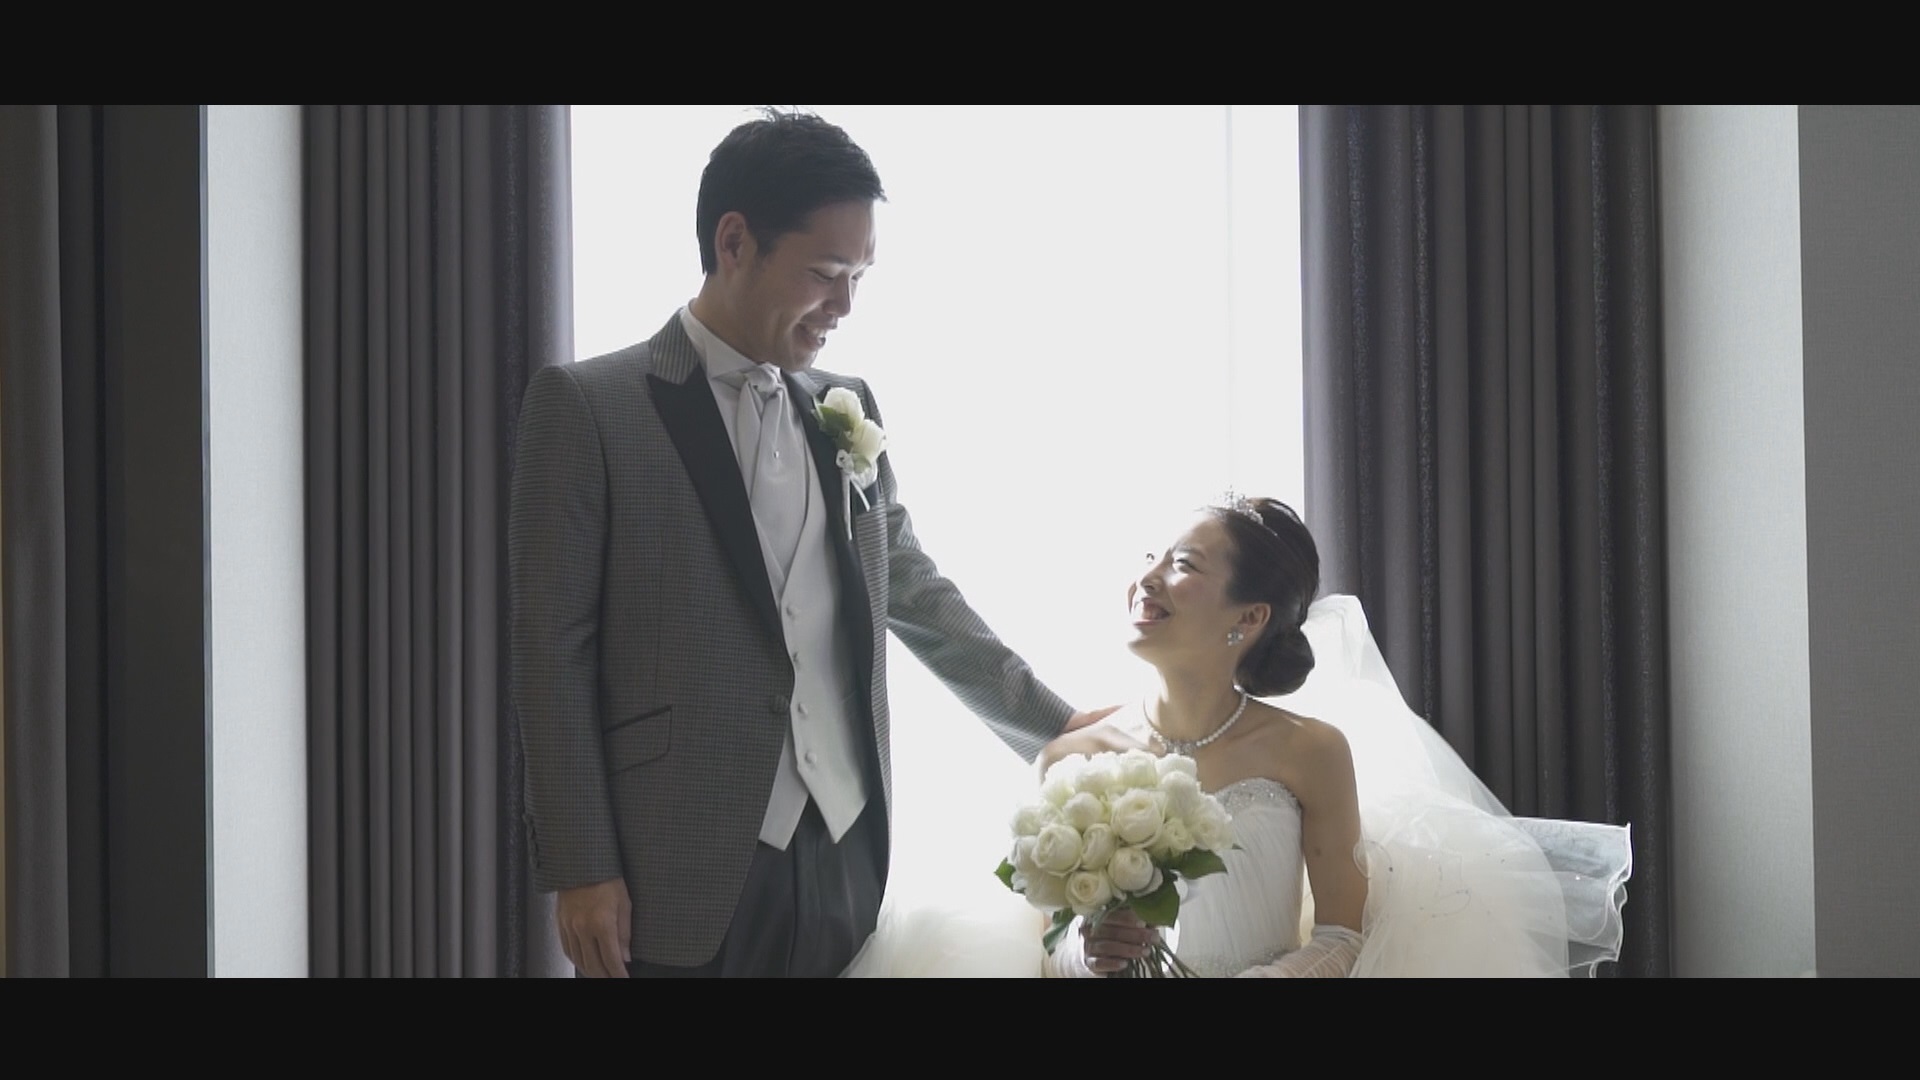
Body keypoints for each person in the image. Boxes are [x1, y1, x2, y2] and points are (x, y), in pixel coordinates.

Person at [508, 108, 1111, 978]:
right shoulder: (590, 407)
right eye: (827, 273)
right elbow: (551, 655)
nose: (845, 305)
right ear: (734, 242)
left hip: (844, 844)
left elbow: (910, 585)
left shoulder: (845, 404)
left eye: (860, 276)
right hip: (675, 856)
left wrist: (1053, 723)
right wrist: (581, 863)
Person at [846, 494, 1632, 977]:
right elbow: (1048, 947)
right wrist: (1088, 957)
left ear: (1249, 618)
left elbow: (1342, 934)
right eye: (1150, 557)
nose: (1148, 578)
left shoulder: (1309, 751)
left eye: (1183, 565)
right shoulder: (1070, 758)